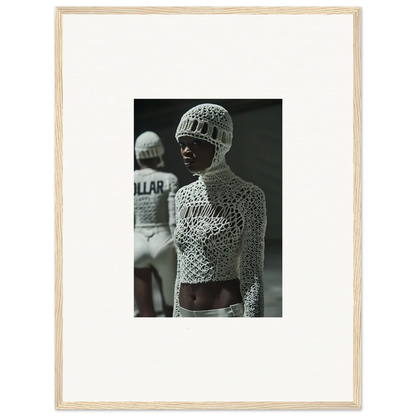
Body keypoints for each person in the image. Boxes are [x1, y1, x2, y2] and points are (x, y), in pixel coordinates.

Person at [172, 103, 267, 317]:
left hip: (223, 311)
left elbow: (251, 272)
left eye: (197, 142)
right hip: (185, 310)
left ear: (220, 143)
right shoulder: (183, 196)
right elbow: (181, 266)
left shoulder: (247, 195)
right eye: (182, 143)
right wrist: (175, 314)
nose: (187, 150)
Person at [134, 131, 179, 317]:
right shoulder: (169, 179)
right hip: (164, 242)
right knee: (171, 307)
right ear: (158, 152)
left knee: (145, 314)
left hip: (136, 242)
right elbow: (173, 220)